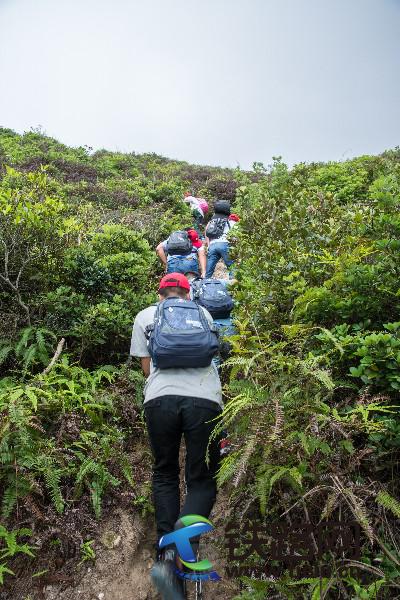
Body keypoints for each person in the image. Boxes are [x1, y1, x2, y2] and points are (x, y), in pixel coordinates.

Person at [129, 273, 223, 599]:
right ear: (188, 294)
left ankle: (166, 556)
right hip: (205, 400)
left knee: (165, 473)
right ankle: (180, 544)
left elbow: (146, 369)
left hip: (160, 400)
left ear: (160, 294)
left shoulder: (145, 316)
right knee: (202, 479)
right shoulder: (203, 313)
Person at [205, 200, 239, 278]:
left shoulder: (212, 221)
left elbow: (207, 232)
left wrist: (209, 245)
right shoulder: (232, 222)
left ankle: (205, 282)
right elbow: (236, 236)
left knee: (209, 271)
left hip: (213, 245)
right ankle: (233, 283)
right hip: (225, 244)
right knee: (232, 268)